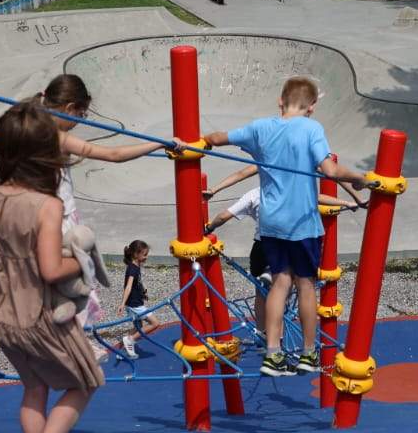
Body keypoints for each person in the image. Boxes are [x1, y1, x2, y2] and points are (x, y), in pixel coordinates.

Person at [203, 77, 368, 377]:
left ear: (280, 100)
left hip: (271, 223)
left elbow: (217, 138)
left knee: (280, 282)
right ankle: (308, 352)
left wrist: (198, 141)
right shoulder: (311, 129)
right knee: (305, 284)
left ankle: (273, 354)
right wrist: (361, 178)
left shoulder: (260, 128)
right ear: (312, 107)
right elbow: (330, 170)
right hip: (302, 222)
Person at [0, 102, 101, 433]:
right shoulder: (48, 206)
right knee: (85, 383)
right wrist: (81, 260)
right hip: (42, 316)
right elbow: (50, 269)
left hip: (5, 313)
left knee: (34, 388)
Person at [38, 74, 179, 359]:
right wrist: (160, 144)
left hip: (38, 215)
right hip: (61, 219)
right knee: (79, 280)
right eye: (81, 115)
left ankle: (64, 338)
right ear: (69, 108)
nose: (81, 120)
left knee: (63, 282)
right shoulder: (57, 137)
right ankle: (71, 343)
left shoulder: (31, 128)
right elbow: (113, 154)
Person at [204, 163, 361, 352]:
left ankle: (262, 332)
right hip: (285, 245)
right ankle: (277, 338)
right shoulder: (291, 192)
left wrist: (209, 227)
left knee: (261, 292)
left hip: (260, 247)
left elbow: (224, 215)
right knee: (284, 292)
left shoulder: (254, 194)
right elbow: (321, 191)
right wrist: (349, 202)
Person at [117, 240, 151, 359]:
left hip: (135, 302)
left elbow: (138, 282)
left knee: (138, 327)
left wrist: (143, 292)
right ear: (136, 254)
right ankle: (130, 340)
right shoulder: (132, 269)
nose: (146, 257)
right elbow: (128, 287)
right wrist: (122, 303)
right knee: (155, 323)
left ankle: (123, 350)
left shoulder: (136, 265)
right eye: (144, 254)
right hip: (135, 305)